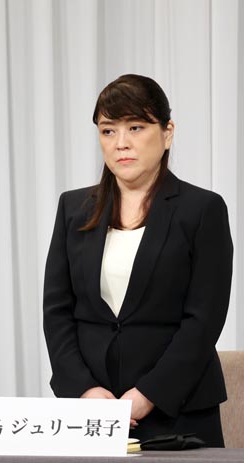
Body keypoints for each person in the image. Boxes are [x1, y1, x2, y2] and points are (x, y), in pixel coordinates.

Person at [42, 74, 232, 447]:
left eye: (136, 127)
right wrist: (84, 389)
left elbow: (204, 320)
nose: (121, 143)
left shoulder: (202, 210)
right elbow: (57, 311)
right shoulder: (74, 208)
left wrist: (148, 394)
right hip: (92, 412)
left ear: (167, 132)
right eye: (108, 131)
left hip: (178, 411)